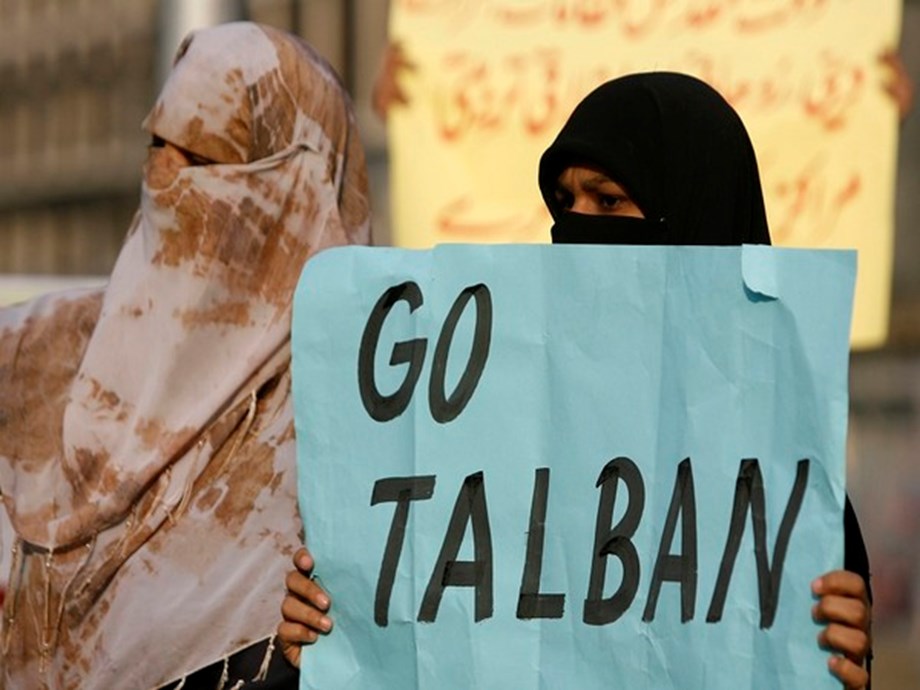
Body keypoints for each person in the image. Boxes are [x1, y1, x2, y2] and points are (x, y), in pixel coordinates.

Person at [277, 72, 873, 689]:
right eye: (565, 204)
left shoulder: (787, 493)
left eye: (608, 200)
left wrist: (839, 667)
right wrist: (343, 642)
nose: (577, 227)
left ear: (695, 207)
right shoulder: (498, 448)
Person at [0, 21, 371, 690]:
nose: (166, 181)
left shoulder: (367, 412)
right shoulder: (37, 354)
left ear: (298, 187)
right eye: (156, 146)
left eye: (202, 163)